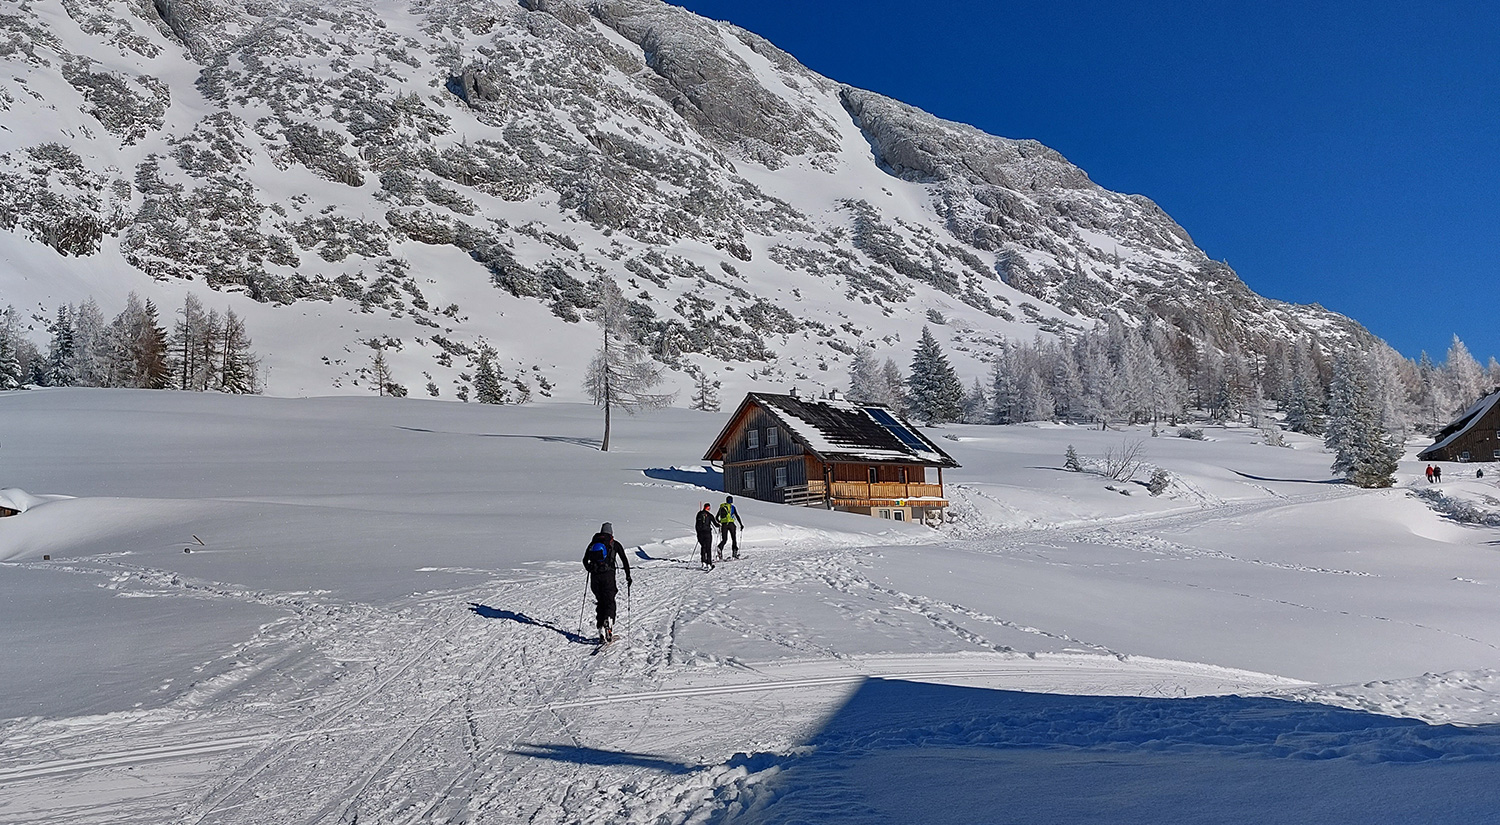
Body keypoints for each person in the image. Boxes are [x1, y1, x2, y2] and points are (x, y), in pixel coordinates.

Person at [582, 522, 631, 643]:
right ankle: (609, 620)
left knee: (600, 602)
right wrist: (628, 576)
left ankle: (600, 628)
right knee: (609, 600)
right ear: (611, 532)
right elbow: (624, 560)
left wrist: (590, 569)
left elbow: (584, 560)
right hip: (608, 576)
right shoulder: (614, 544)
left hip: (595, 577)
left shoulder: (593, 543)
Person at [716, 495, 744, 560]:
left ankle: (720, 547)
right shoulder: (732, 507)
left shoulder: (722, 507)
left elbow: (716, 517)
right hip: (731, 524)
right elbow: (737, 516)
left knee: (724, 539)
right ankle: (734, 553)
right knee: (733, 538)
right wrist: (741, 524)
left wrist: (720, 522)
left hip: (724, 524)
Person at [695, 503, 716, 570]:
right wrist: (720, 525)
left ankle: (703, 562)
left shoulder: (699, 514)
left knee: (703, 547)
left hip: (700, 533)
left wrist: (698, 532)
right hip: (707, 533)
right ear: (708, 508)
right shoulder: (710, 515)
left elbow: (696, 525)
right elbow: (715, 524)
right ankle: (709, 563)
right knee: (708, 548)